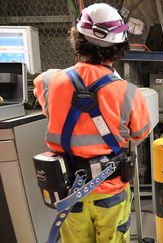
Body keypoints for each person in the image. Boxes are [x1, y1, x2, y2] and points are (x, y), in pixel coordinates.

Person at [33, 3, 150, 242]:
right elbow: (139, 134)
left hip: (67, 191)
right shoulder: (128, 92)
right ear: (119, 47)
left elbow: (48, 108)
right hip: (110, 189)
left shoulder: (49, 81)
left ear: (77, 39)